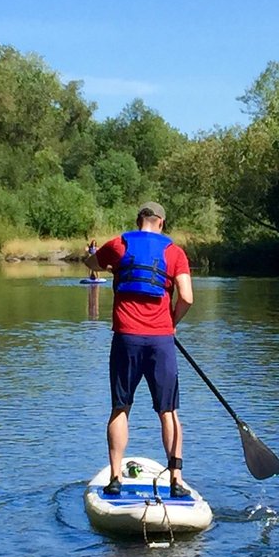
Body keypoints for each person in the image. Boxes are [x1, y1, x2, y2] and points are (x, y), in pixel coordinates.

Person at [94, 202, 194, 498]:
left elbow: (93, 264)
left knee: (120, 407)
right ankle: (176, 480)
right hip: (161, 340)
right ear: (161, 223)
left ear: (139, 221)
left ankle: (114, 478)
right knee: (169, 411)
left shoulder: (118, 245)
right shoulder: (174, 252)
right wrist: (171, 322)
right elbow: (187, 297)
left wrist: (104, 263)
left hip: (126, 338)